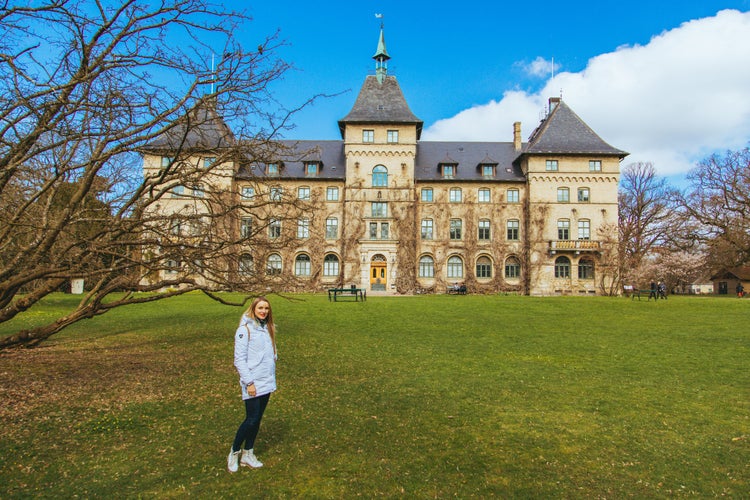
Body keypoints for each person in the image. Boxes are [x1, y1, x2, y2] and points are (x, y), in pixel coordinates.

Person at [228, 296, 277, 472]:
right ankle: (234, 452)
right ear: (253, 309)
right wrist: (249, 382)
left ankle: (248, 453)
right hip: (252, 382)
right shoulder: (244, 330)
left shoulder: (268, 328)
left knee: (257, 420)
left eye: (266, 308)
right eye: (260, 308)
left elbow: (272, 351)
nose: (264, 311)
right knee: (251, 419)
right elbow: (239, 360)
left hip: (266, 380)